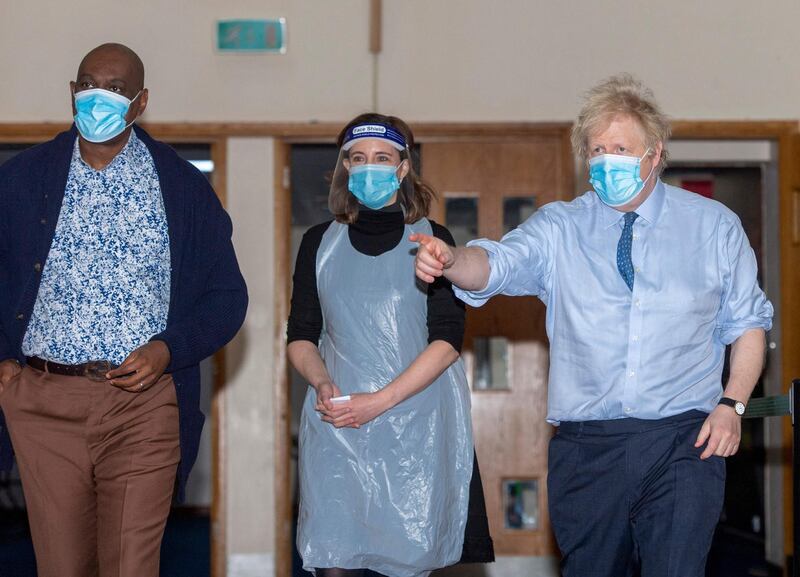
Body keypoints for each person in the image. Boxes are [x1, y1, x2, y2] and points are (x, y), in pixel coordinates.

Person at [413, 75, 773, 577]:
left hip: (683, 442)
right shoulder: (561, 227)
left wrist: (732, 404)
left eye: (621, 148)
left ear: (655, 154)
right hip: (588, 448)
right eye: (597, 149)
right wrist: (452, 260)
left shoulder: (713, 226)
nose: (607, 160)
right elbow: (497, 263)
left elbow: (748, 323)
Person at [0, 43, 247, 577]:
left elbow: (227, 296)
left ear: (140, 102)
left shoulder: (182, 187)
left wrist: (169, 349)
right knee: (62, 567)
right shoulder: (21, 180)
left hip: (141, 404)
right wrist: (3, 360)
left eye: (114, 89)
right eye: (88, 83)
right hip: (44, 404)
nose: (98, 97)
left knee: (130, 566)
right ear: (71, 91)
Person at [287, 113, 494, 577]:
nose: (369, 167)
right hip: (339, 423)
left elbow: (447, 341)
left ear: (403, 168)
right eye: (358, 159)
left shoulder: (433, 240)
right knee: (333, 557)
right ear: (344, 166)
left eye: (382, 158)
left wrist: (379, 402)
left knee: (405, 561)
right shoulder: (318, 243)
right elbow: (301, 334)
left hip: (413, 426)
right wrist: (321, 381)